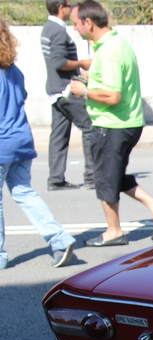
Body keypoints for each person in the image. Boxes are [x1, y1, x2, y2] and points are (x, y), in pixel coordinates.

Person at [68, 0, 153, 247]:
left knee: (105, 177)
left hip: (112, 124)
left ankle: (114, 231)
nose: (74, 28)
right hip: (125, 123)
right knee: (112, 174)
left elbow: (113, 96)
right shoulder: (116, 44)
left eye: (75, 23)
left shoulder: (109, 52)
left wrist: (84, 91)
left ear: (88, 22)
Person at [0, 17, 76, 269]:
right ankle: (60, 239)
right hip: (21, 140)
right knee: (24, 192)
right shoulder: (13, 70)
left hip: (2, 143)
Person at [41, 0, 94, 191]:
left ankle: (55, 179)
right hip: (66, 90)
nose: (70, 10)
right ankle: (92, 176)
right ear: (61, 8)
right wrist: (82, 63)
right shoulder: (56, 31)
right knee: (89, 126)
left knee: (59, 136)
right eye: (68, 6)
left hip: (56, 90)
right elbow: (58, 62)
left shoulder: (48, 28)